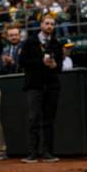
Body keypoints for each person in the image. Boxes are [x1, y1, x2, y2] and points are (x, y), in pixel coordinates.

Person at [19, 15, 63, 163]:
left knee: (49, 120)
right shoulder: (29, 42)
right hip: (34, 85)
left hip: (51, 86)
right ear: (41, 24)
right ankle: (32, 153)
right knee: (33, 119)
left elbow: (60, 67)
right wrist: (41, 62)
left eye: (52, 24)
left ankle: (47, 152)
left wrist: (54, 65)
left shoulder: (56, 44)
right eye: (47, 23)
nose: (50, 26)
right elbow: (22, 61)